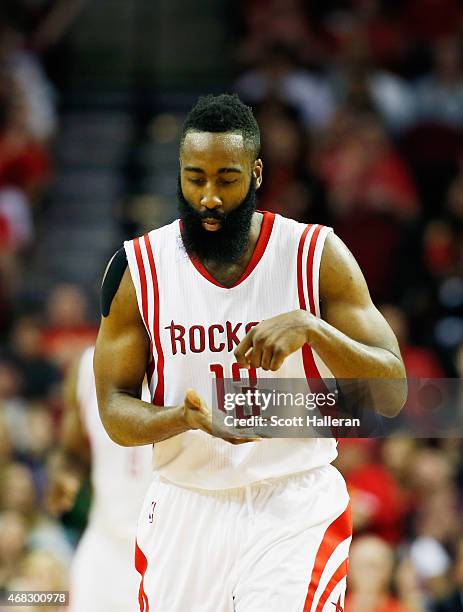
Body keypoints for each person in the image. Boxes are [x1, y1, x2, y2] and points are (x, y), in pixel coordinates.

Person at [93, 93, 406, 612]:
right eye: (195, 178)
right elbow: (114, 409)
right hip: (183, 502)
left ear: (256, 173)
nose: (209, 197)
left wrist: (314, 330)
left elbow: (393, 392)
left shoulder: (314, 254)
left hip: (293, 500)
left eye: (226, 179)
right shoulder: (137, 268)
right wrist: (182, 417)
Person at [47, 346, 153, 612]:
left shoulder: (198, 360)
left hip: (173, 551)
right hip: (104, 549)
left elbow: (260, 432)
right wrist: (65, 477)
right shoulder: (85, 367)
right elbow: (72, 453)